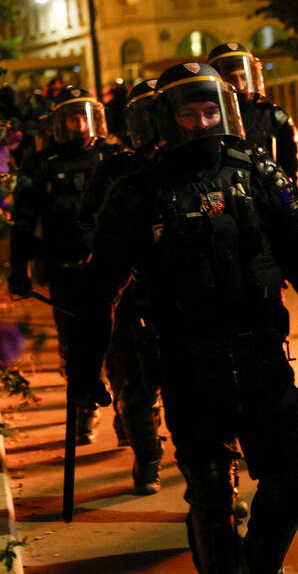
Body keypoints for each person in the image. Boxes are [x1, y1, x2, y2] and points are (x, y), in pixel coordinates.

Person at [67, 62, 298, 573]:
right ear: (168, 119)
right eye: (190, 114)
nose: (205, 123)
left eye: (212, 111)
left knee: (291, 489)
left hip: (262, 355)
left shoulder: (255, 169)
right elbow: (100, 288)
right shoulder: (136, 192)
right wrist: (84, 365)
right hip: (189, 362)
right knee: (210, 499)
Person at [8, 86, 121, 444]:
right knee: (76, 347)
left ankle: (133, 416)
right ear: (59, 123)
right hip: (66, 270)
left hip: (117, 270)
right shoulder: (43, 165)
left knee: (124, 347)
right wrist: (18, 268)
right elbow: (24, 220)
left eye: (85, 115)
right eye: (72, 117)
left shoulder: (116, 156)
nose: (80, 124)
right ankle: (84, 408)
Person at [78, 79, 164, 494]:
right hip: (128, 291)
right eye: (143, 114)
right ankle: (147, 457)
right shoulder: (114, 170)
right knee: (132, 381)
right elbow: (87, 221)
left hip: (184, 295)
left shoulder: (205, 164)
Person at [207, 42, 298, 184]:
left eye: (244, 77)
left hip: (268, 196)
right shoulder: (207, 119)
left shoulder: (274, 116)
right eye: (231, 78)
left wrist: (286, 198)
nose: (239, 85)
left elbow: (293, 170)